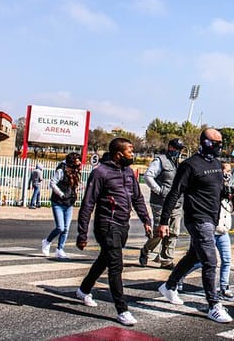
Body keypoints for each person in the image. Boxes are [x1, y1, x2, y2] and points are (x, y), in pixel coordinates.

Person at [156, 128, 233, 324]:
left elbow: (217, 189)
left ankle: (170, 286)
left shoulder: (216, 164)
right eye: (217, 143)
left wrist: (228, 193)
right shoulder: (189, 166)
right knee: (210, 261)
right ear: (206, 143)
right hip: (197, 219)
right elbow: (174, 193)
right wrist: (164, 221)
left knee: (194, 256)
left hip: (212, 217)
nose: (220, 147)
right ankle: (213, 305)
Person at [75, 138, 152, 326]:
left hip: (123, 224)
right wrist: (82, 233)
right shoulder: (100, 173)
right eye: (130, 151)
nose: (132, 155)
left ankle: (84, 290)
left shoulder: (128, 173)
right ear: (119, 154)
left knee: (105, 259)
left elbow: (138, 199)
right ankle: (122, 310)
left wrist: (146, 220)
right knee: (116, 265)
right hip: (106, 225)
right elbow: (88, 203)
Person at [178, 162, 234, 301]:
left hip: (223, 230)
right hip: (209, 230)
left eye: (230, 171)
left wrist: (233, 200)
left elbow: (230, 209)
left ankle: (224, 288)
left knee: (227, 260)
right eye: (225, 171)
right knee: (200, 261)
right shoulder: (213, 185)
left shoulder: (230, 188)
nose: (228, 174)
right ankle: (178, 277)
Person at [140, 137, 185, 268]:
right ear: (170, 147)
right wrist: (159, 190)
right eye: (176, 148)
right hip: (160, 202)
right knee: (160, 232)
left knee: (173, 232)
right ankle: (146, 251)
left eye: (180, 149)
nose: (178, 151)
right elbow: (148, 176)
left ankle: (166, 260)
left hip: (176, 203)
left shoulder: (178, 163)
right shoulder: (160, 161)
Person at [41, 153, 82, 259]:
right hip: (58, 202)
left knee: (66, 229)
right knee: (60, 227)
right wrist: (61, 194)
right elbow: (52, 183)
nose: (79, 163)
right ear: (72, 161)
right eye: (77, 161)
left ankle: (60, 249)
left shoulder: (75, 171)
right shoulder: (61, 170)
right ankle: (47, 241)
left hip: (69, 203)